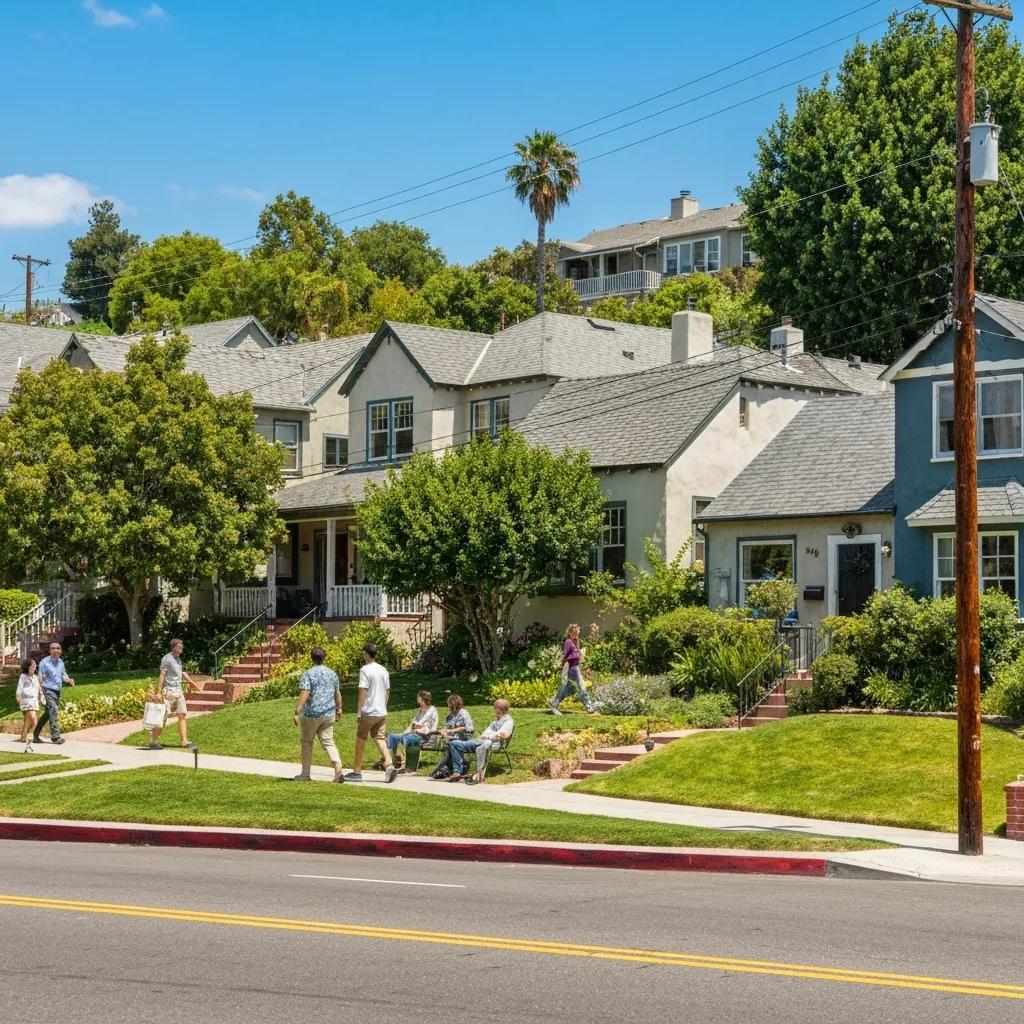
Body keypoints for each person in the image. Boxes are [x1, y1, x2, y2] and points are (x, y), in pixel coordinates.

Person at [344, 642, 397, 783]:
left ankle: (357, 771)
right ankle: (389, 765)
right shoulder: (383, 670)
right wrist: (383, 707)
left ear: (366, 654)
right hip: (381, 711)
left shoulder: (365, 670)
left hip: (369, 710)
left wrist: (359, 712)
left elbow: (363, 692)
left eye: (363, 652)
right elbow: (387, 691)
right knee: (379, 738)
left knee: (360, 738)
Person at [293, 645, 343, 783]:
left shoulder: (308, 674)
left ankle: (305, 774)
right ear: (324, 658)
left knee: (307, 742)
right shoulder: (332, 674)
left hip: (311, 715)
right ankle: (338, 771)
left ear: (312, 658)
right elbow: (337, 693)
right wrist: (339, 709)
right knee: (328, 742)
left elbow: (305, 692)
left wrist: (297, 711)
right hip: (328, 714)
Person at [145, 638, 198, 751]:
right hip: (168, 692)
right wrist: (158, 692)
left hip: (178, 691)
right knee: (162, 718)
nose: (181, 648)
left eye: (182, 646)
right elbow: (162, 675)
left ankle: (184, 741)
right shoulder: (167, 659)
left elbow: (181, 672)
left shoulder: (178, 659)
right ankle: (153, 741)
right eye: (179, 646)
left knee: (182, 715)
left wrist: (191, 682)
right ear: (173, 647)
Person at [448, 699, 514, 784]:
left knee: (481, 747)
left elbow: (504, 734)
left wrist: (492, 736)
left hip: (492, 743)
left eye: (494, 709)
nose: (494, 711)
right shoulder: (495, 722)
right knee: (454, 744)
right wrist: (485, 736)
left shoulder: (508, 721)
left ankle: (478, 774)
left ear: (499, 710)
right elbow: (484, 735)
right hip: (480, 741)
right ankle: (457, 772)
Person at [386, 690, 438, 774]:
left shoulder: (432, 709)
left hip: (426, 736)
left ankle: (407, 766)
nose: (417, 699)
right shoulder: (420, 710)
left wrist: (416, 727)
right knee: (392, 736)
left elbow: (421, 722)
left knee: (408, 738)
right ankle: (391, 763)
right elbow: (412, 724)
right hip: (414, 734)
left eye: (418, 697)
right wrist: (403, 733)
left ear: (423, 699)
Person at [33, 641, 75, 745]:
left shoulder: (61, 662)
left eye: (58, 648)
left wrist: (69, 680)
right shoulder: (45, 662)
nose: (56, 650)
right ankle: (55, 737)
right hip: (48, 690)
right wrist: (41, 693)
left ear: (60, 650)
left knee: (48, 713)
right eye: (53, 648)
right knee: (54, 711)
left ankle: (35, 735)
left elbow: (63, 675)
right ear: (50, 650)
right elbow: (40, 677)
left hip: (57, 690)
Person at [551, 623, 597, 716]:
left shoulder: (575, 641)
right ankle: (588, 706)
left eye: (578, 631)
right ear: (571, 631)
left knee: (574, 687)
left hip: (576, 667)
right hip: (570, 667)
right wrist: (564, 667)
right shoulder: (568, 642)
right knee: (575, 687)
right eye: (576, 631)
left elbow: (578, 654)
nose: (578, 633)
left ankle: (588, 706)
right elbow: (565, 655)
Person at [427, 694, 474, 780]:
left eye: (451, 706)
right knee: (449, 746)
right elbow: (447, 728)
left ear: (456, 705)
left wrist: (455, 730)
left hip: (463, 739)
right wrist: (443, 732)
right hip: (451, 739)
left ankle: (441, 769)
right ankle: (448, 769)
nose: (450, 708)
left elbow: (470, 728)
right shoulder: (449, 716)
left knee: (450, 746)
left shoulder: (463, 713)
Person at [16, 659, 42, 753]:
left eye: (35, 666)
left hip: (34, 701)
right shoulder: (23, 676)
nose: (34, 668)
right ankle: (29, 739)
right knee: (34, 720)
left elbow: (39, 688)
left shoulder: (35, 677)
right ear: (27, 667)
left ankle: (23, 736)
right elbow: (20, 687)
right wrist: (18, 696)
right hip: (26, 700)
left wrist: (42, 697)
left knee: (28, 720)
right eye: (32, 666)